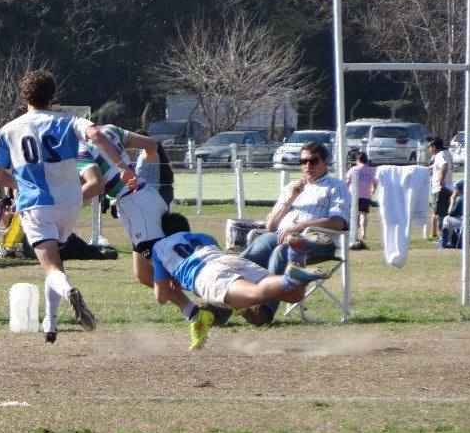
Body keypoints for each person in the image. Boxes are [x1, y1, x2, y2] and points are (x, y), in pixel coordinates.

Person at [0, 69, 138, 343]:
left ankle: (70, 291)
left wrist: (21, 185)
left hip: (36, 204)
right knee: (56, 261)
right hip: (70, 203)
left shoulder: (8, 130)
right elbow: (95, 134)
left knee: (52, 269)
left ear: (25, 96)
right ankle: (51, 323)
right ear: (52, 96)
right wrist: (122, 166)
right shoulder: (71, 121)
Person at [152, 213, 328, 350]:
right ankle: (297, 256)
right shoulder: (204, 237)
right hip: (230, 260)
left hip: (207, 275)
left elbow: (161, 296)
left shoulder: (158, 248)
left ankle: (290, 277)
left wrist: (170, 279)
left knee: (255, 293)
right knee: (294, 295)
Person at [239, 140, 350, 326]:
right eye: (303, 162)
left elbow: (338, 222)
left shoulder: (335, 187)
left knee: (282, 251)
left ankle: (264, 310)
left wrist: (299, 227)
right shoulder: (293, 187)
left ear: (325, 162)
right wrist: (290, 199)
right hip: (282, 236)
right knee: (255, 250)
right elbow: (271, 225)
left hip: (317, 242)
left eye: (313, 161)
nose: (308, 166)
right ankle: (221, 304)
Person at [77, 124, 167, 287]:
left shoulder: (79, 149)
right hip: (148, 195)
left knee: (167, 266)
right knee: (143, 274)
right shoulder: (110, 129)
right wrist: (147, 156)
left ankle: (208, 298)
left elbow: (94, 186)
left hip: (133, 204)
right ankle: (192, 309)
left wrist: (62, 205)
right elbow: (152, 145)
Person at [345, 151, 377, 250]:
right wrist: (373, 191)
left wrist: (345, 191)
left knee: (351, 215)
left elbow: (347, 182)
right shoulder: (371, 170)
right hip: (365, 195)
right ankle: (363, 232)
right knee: (364, 214)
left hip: (353, 196)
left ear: (357, 160)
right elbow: (375, 183)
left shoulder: (354, 169)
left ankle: (351, 232)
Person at [428, 137, 453, 239]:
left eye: (429, 147)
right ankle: (434, 233)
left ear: (434, 147)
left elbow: (445, 166)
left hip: (440, 188)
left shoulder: (439, 155)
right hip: (449, 186)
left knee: (439, 213)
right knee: (440, 212)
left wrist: (442, 180)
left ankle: (443, 235)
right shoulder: (448, 154)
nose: (429, 149)